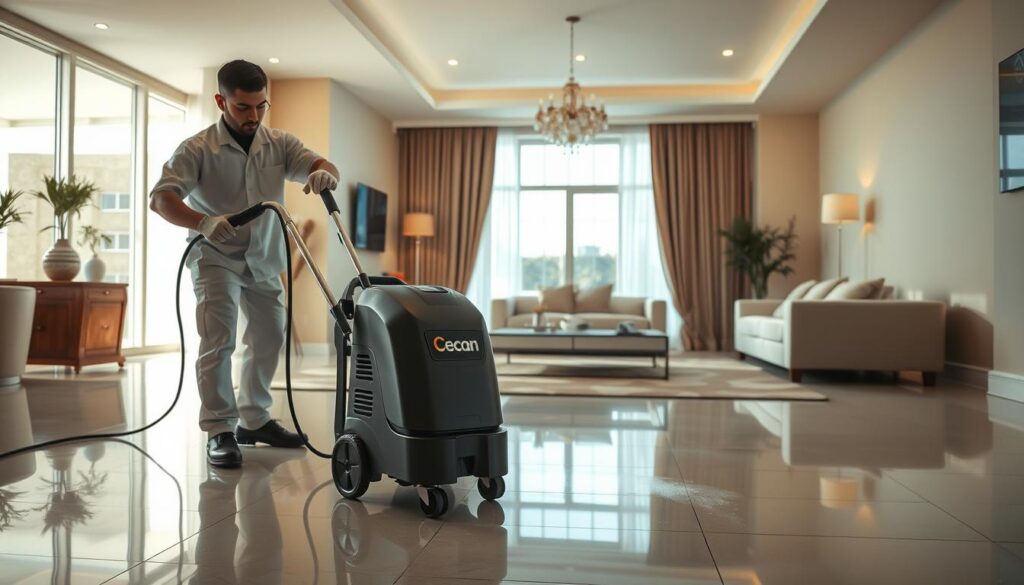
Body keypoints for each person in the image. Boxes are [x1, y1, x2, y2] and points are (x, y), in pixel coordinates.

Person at [149, 60, 340, 468]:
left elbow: (321, 164)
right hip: (214, 256)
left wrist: (326, 175)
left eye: (260, 106)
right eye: (242, 107)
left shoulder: (280, 143)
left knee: (270, 334)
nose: (253, 116)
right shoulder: (197, 149)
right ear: (221, 101)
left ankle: (253, 420)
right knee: (220, 339)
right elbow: (161, 197)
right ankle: (220, 428)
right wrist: (201, 220)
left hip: (264, 258)